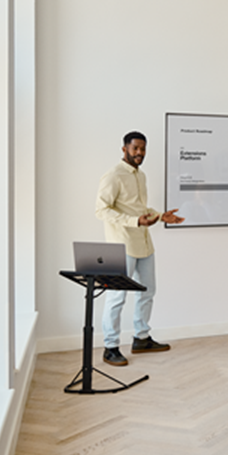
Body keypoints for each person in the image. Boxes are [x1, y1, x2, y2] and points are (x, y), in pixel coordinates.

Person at [96, 131, 185, 366]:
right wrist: (135, 222)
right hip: (122, 245)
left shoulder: (140, 175)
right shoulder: (113, 175)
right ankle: (110, 346)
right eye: (135, 148)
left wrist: (159, 216)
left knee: (147, 292)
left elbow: (137, 208)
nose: (140, 153)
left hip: (144, 243)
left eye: (143, 149)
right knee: (117, 297)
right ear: (124, 149)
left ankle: (141, 338)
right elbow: (101, 210)